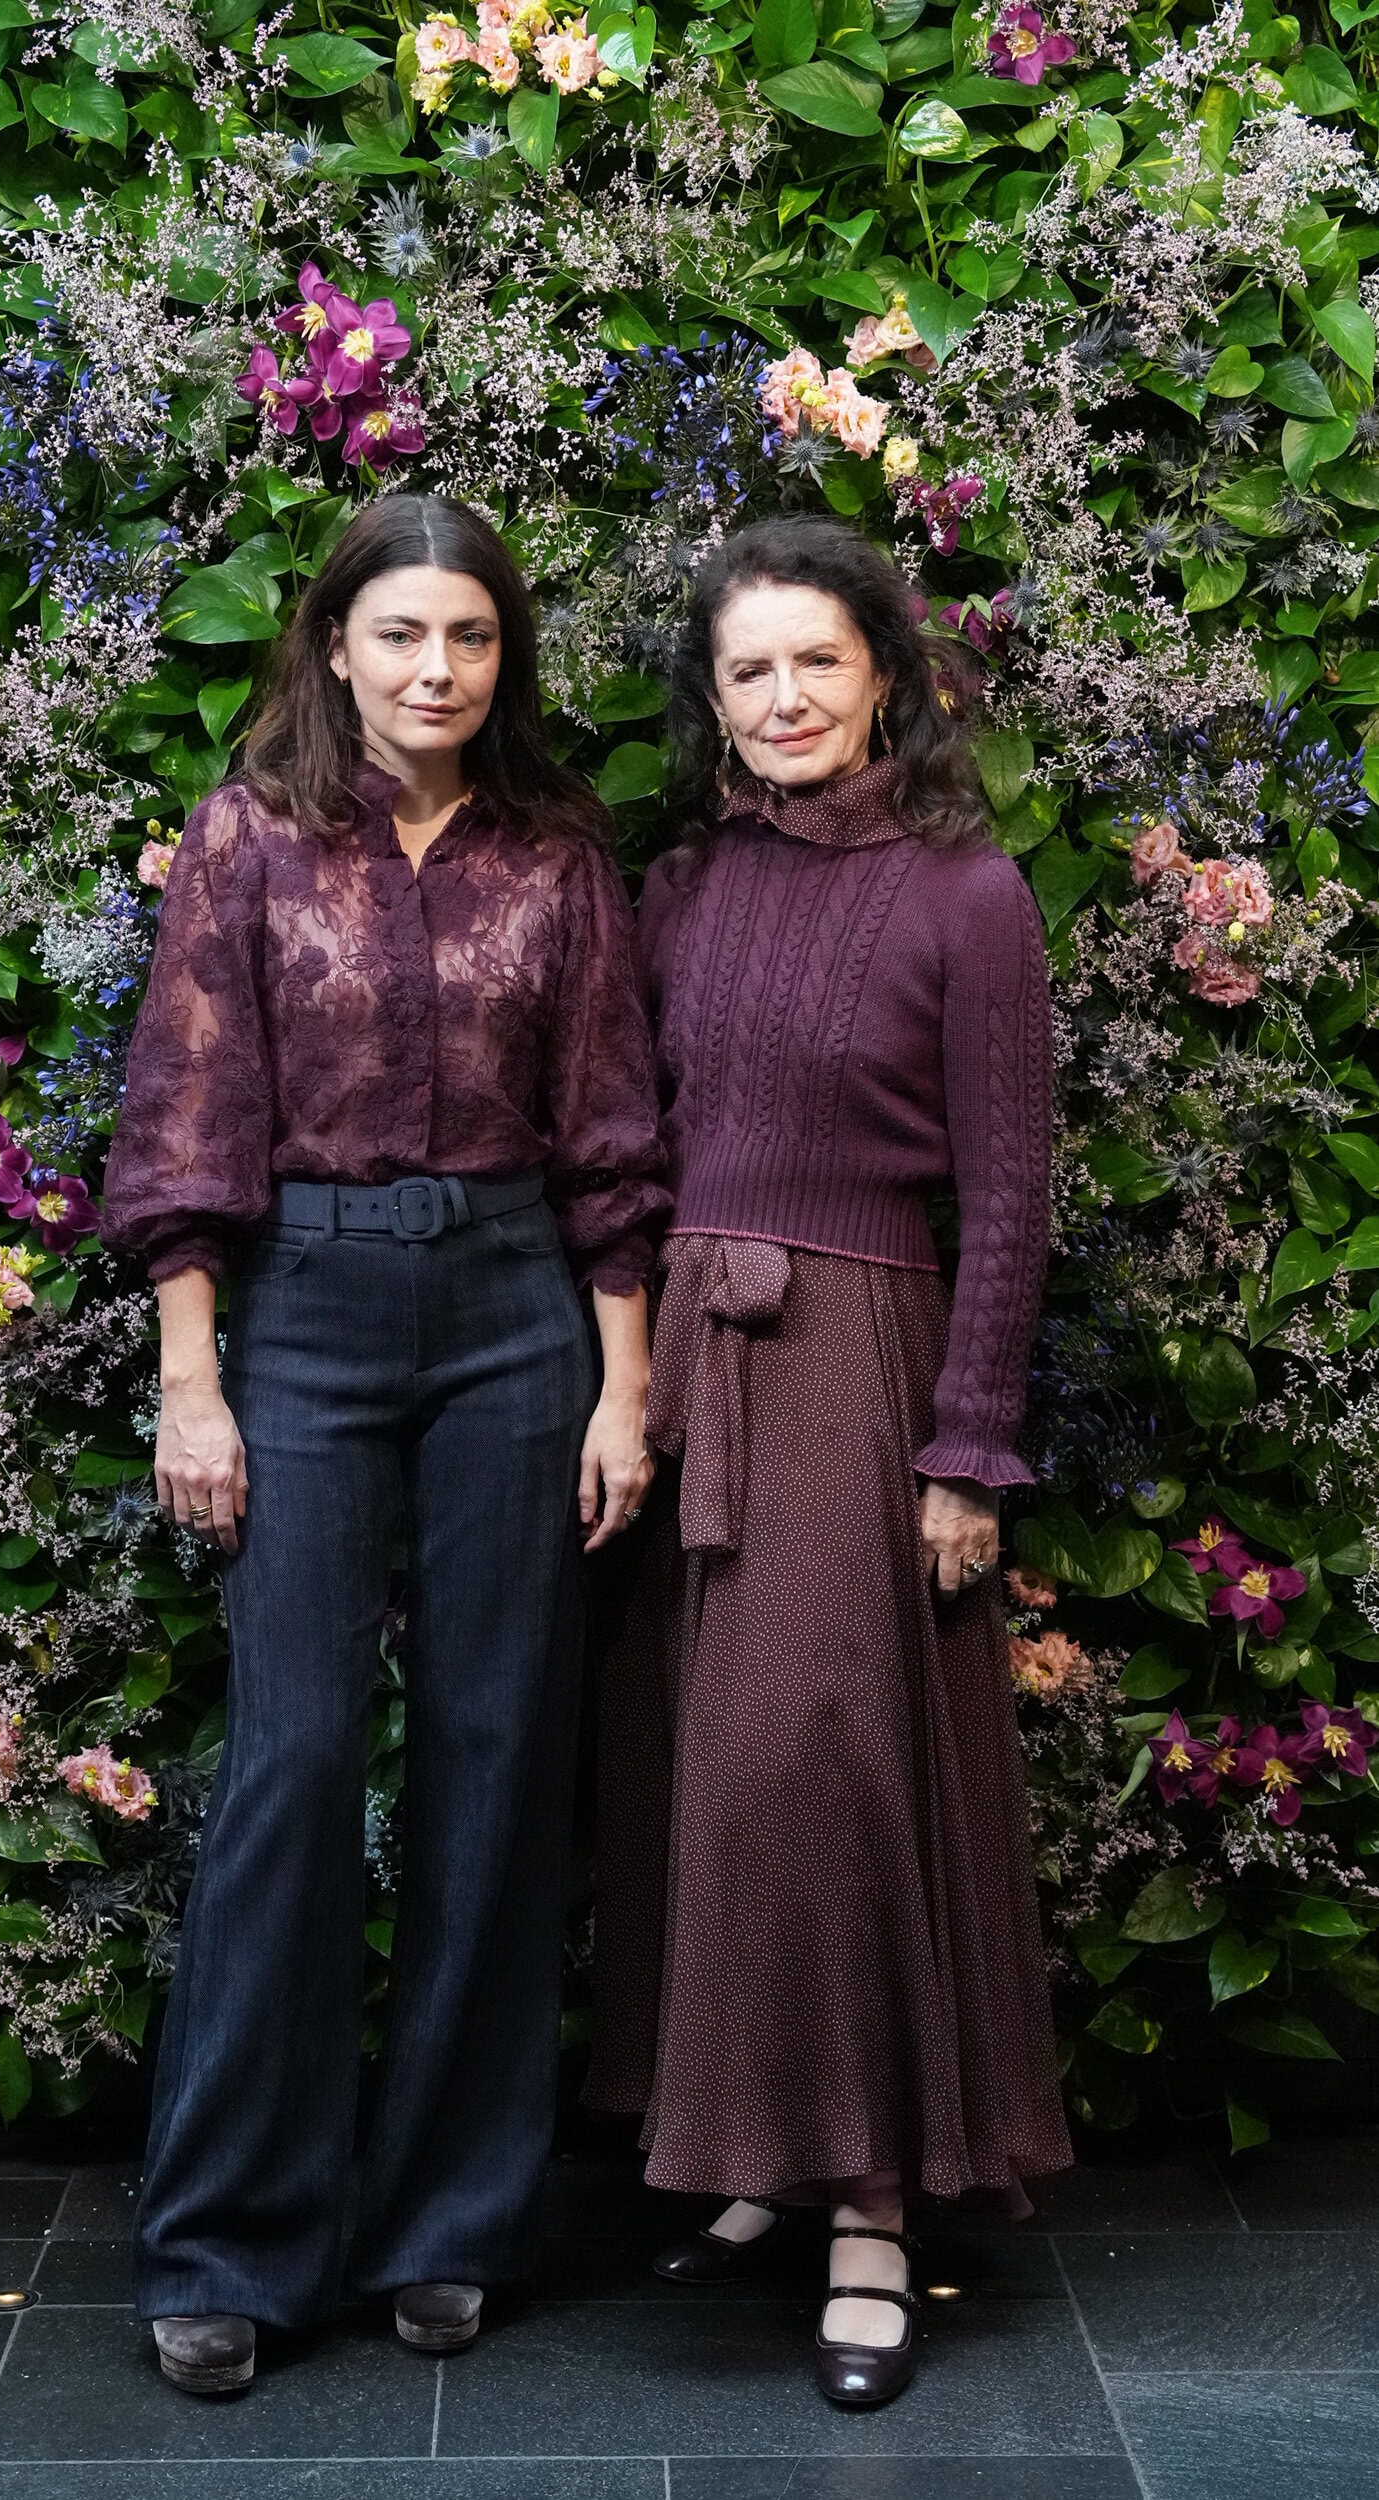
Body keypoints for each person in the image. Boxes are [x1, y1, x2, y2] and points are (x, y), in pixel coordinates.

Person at [102, 493, 668, 2395]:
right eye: (403, 633)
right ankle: (230, 2241)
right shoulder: (250, 838)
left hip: (516, 1318)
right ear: (335, 645)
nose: (439, 669)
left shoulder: (558, 854)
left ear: (507, 657)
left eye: (472, 637)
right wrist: (195, 1378)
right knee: (295, 1758)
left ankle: (448, 2223)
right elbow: (184, 1123)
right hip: (310, 1312)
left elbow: (610, 1139)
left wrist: (623, 1385)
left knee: (500, 1758)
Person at [585, 515, 1071, 2410]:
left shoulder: (969, 893)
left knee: (826, 1773)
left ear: (886, 676)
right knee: (699, 1775)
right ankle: (763, 2159)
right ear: (712, 703)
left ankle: (873, 2202)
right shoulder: (683, 887)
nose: (785, 697)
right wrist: (624, 1382)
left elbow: (1010, 1198)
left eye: (817, 661)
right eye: (749, 671)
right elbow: (630, 1150)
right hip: (689, 1371)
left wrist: (968, 1449)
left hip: (859, 1364)